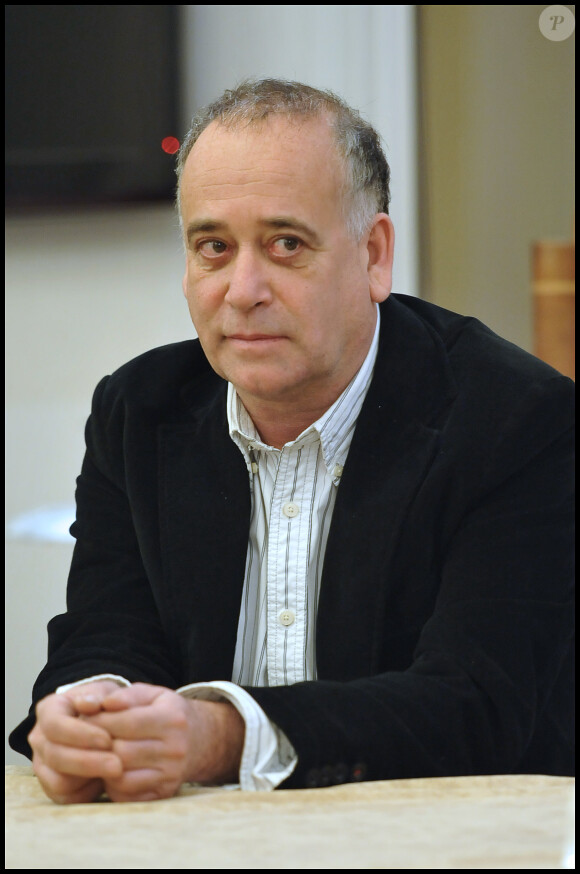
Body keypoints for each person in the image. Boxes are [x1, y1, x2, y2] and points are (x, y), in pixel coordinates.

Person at [9, 79, 574, 804]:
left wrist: (220, 736)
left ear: (374, 255)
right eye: (213, 246)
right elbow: (107, 632)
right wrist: (89, 711)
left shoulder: (519, 420)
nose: (243, 289)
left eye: (285, 244)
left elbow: (476, 707)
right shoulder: (137, 410)